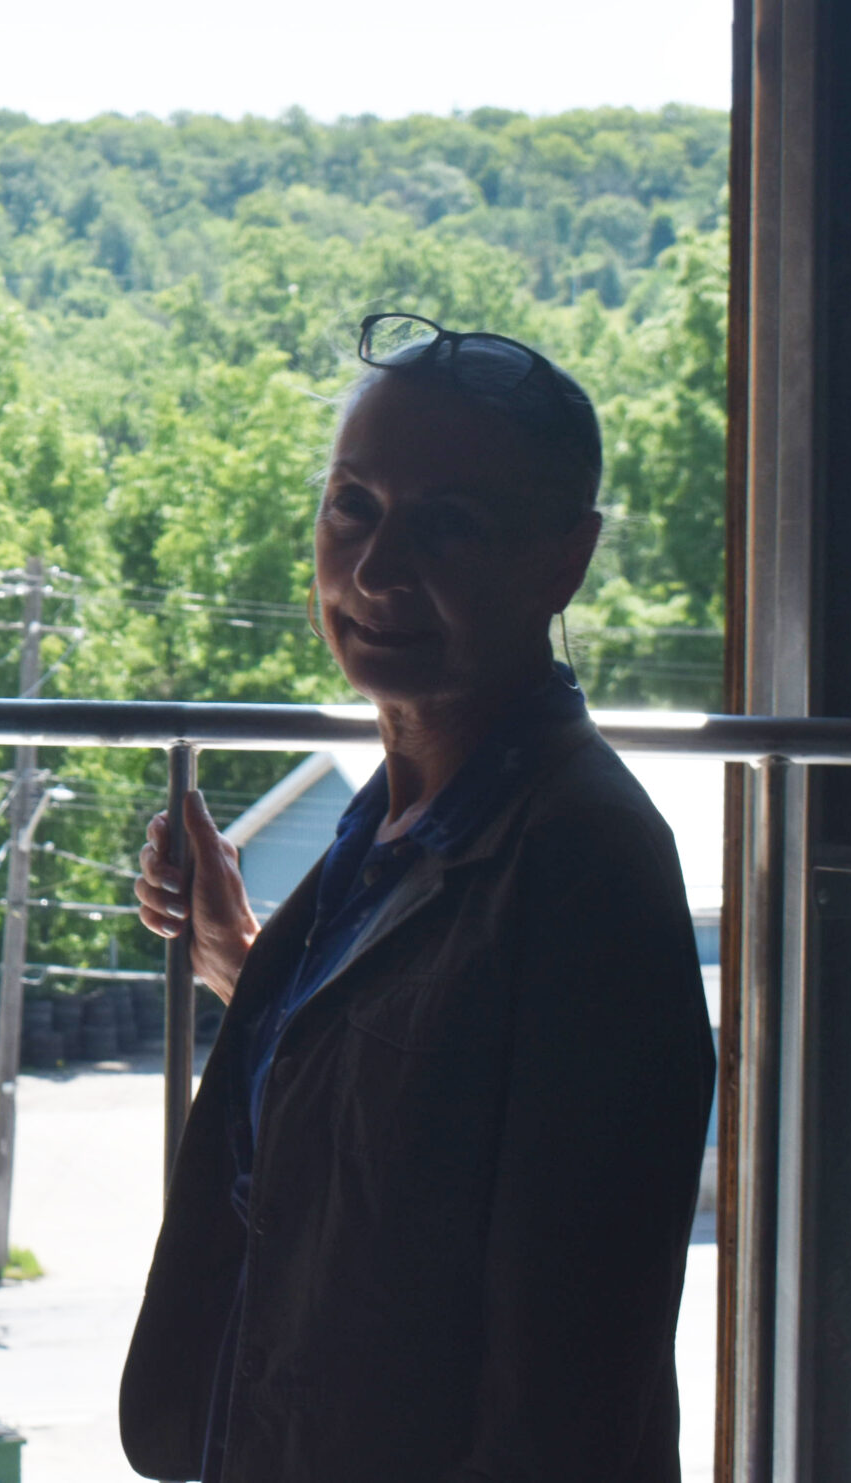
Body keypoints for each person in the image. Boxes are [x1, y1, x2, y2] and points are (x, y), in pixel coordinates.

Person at [121, 314, 715, 1482]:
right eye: (353, 505)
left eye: (448, 524)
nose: (377, 568)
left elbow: (570, 1369)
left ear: (563, 560)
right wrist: (251, 967)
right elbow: (436, 1083)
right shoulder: (386, 830)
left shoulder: (590, 866)